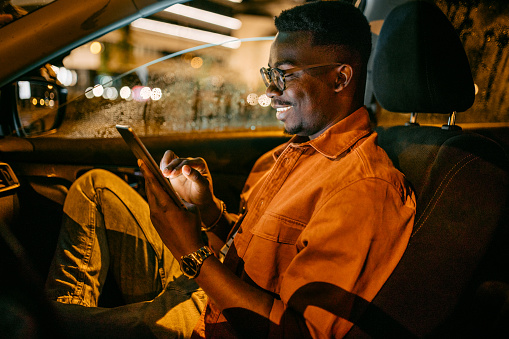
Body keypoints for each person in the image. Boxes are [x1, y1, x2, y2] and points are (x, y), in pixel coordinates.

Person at [46, 1, 416, 338]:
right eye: (269, 72)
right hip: (207, 283)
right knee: (94, 187)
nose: (271, 89)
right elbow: (257, 254)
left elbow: (299, 333)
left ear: (340, 78)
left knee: (32, 325)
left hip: (215, 322)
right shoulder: (292, 153)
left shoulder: (364, 188)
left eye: (285, 74)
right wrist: (207, 211)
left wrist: (191, 252)